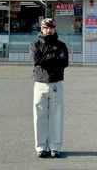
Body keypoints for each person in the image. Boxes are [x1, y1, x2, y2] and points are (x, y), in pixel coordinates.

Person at [29, 18, 69, 158]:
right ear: (41, 28)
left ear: (55, 29)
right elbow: (36, 60)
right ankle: (41, 147)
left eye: (51, 27)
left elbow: (64, 62)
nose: (48, 30)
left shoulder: (61, 45)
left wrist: (45, 60)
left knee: (56, 116)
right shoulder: (35, 44)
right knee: (39, 117)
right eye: (46, 27)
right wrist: (53, 58)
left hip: (56, 83)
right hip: (39, 84)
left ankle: (55, 147)